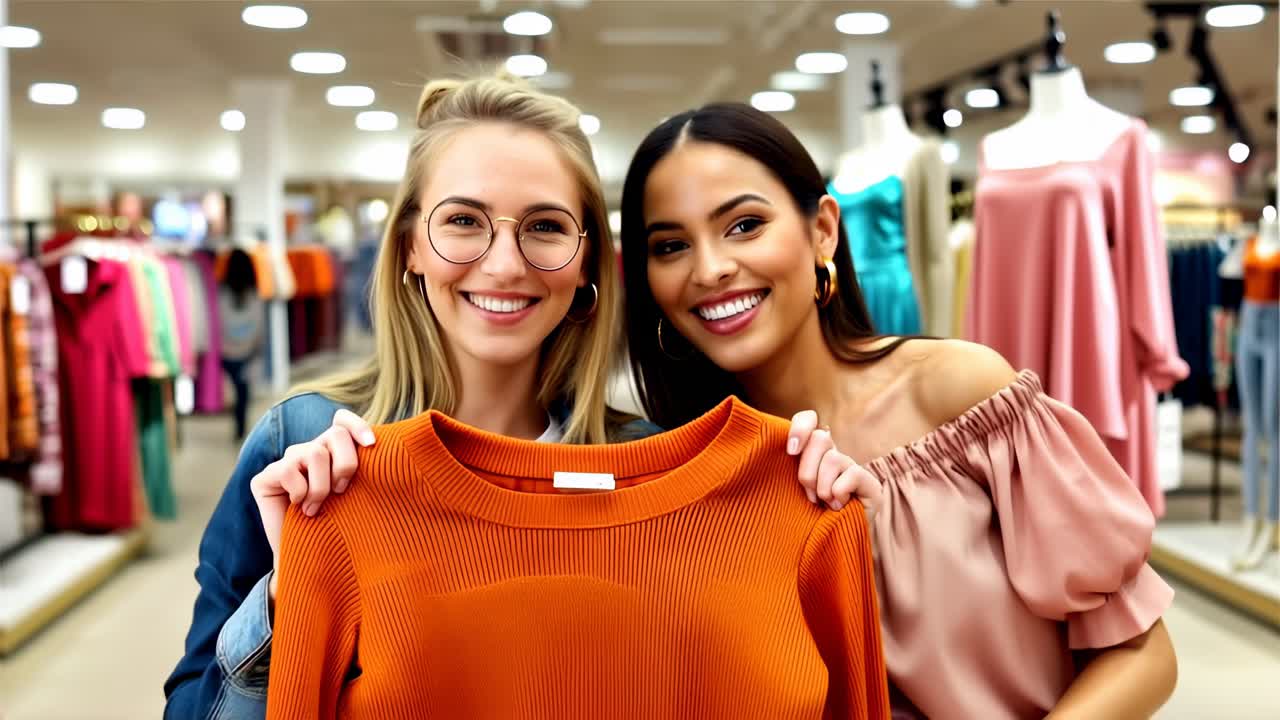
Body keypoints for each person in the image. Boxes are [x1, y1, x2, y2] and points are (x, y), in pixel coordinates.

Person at [163, 74, 863, 720]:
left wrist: (819, 500)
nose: (504, 264)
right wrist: (291, 597)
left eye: (545, 227)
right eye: (463, 221)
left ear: (587, 256)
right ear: (410, 243)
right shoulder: (302, 449)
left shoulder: (654, 461)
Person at [617, 103, 1178, 720]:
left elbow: (1142, 654)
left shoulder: (963, 397)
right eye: (670, 245)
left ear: (823, 229)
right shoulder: (679, 475)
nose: (710, 268)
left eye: (745, 225)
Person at [219, 247, 264, 440]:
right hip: (246, 352)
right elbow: (259, 324)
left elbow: (218, 322)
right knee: (243, 393)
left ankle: (237, 426)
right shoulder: (254, 293)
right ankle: (240, 427)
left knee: (233, 391)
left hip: (226, 351)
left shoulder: (221, 292)